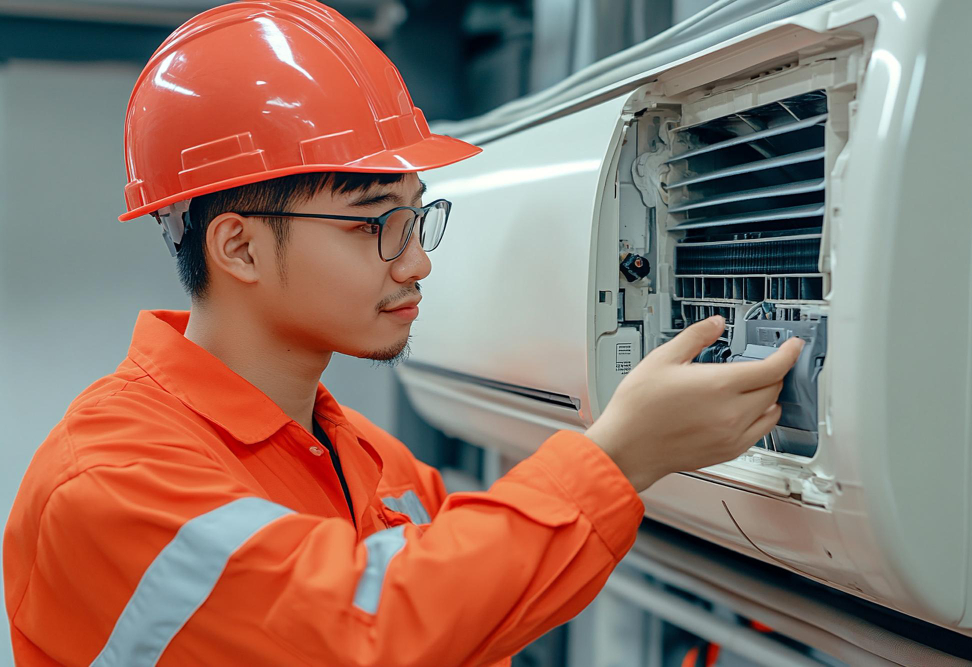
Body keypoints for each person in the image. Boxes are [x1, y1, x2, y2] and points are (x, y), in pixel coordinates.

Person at [2, 1, 802, 664]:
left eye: (416, 216)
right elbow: (367, 634)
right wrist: (620, 457)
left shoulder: (375, 465)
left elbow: (468, 617)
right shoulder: (107, 482)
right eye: (372, 223)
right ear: (238, 247)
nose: (417, 260)